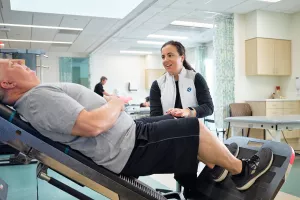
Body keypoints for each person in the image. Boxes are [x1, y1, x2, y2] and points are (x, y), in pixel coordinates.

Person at [0, 59, 273, 197]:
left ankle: (214, 170)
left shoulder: (33, 99)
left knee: (181, 124)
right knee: (193, 129)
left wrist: (107, 104)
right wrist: (116, 102)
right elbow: (92, 125)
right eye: (12, 66)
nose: (19, 64)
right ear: (7, 84)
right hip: (125, 146)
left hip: (125, 135)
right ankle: (241, 172)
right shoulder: (37, 99)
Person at [149, 40, 214, 192]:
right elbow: (155, 116)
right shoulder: (158, 84)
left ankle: (190, 190)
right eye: (163, 56)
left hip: (194, 135)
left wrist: (188, 112)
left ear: (182, 57)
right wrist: (171, 120)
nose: (165, 60)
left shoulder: (195, 78)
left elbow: (209, 107)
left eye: (170, 55)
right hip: (168, 135)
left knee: (195, 159)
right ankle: (190, 190)